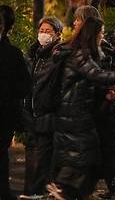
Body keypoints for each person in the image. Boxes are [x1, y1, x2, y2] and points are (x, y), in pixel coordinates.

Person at [48, 17, 115, 200]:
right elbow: (96, 74)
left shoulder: (80, 52)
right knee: (85, 155)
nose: (102, 37)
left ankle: (64, 188)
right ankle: (62, 188)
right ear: (93, 34)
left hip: (75, 113)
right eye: (101, 33)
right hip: (74, 114)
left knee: (82, 155)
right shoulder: (80, 54)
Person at [24, 17, 64, 197]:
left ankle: (38, 191)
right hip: (33, 113)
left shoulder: (56, 55)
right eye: (42, 30)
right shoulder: (34, 53)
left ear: (57, 34)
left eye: (49, 31)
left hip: (48, 114)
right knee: (36, 157)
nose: (44, 34)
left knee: (44, 158)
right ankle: (36, 191)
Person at [0, 6, 30, 200]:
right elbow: (24, 88)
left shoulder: (12, 54)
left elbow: (24, 87)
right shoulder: (12, 54)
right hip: (5, 115)